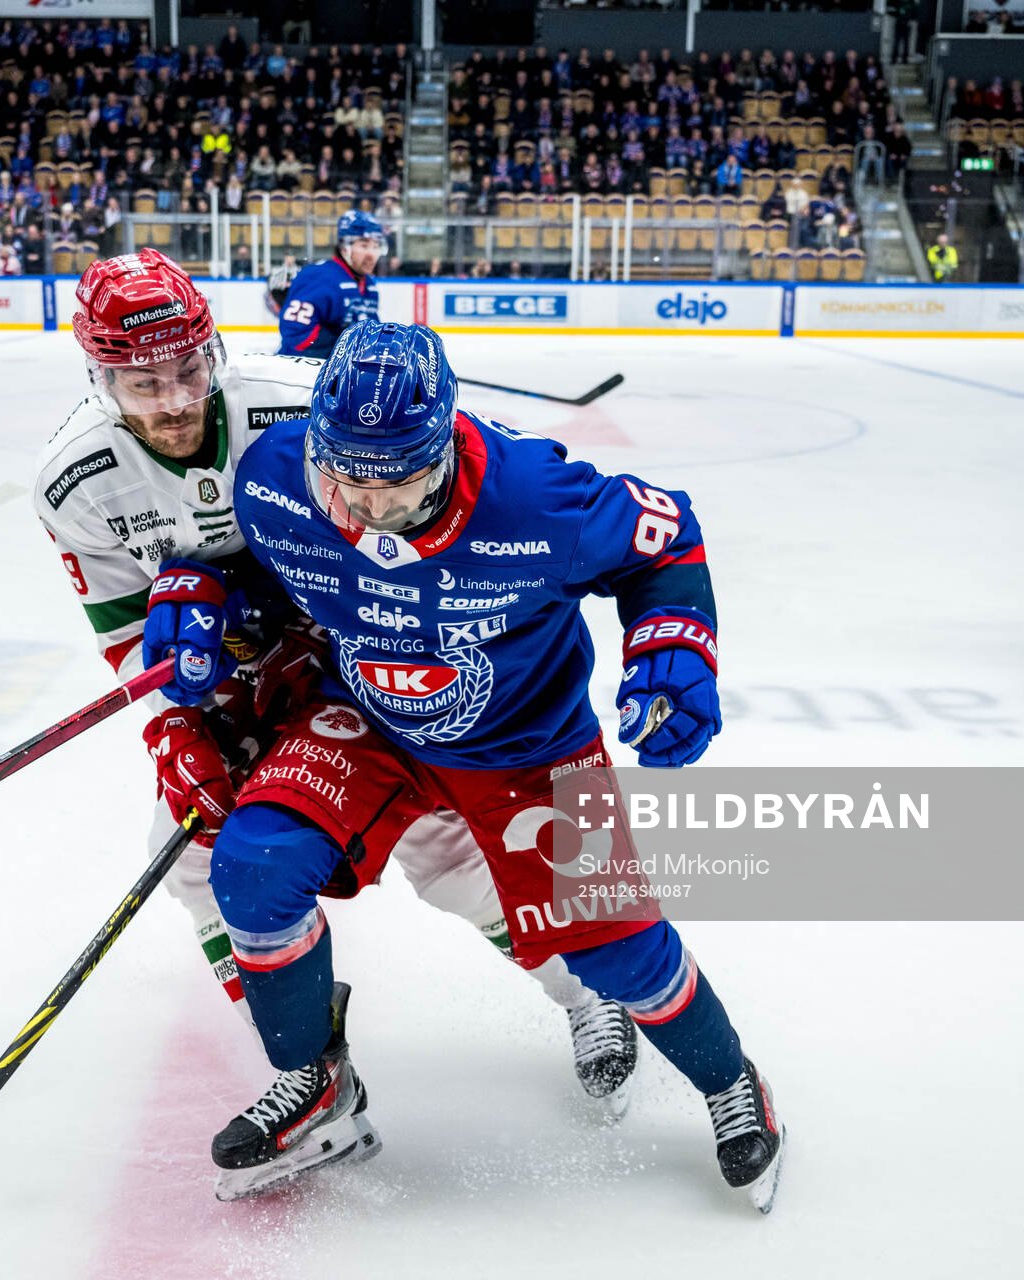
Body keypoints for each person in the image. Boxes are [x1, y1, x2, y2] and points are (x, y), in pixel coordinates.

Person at [194, 319, 783, 1207]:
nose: (366, 510)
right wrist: (203, 593)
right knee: (250, 868)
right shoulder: (275, 476)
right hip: (371, 721)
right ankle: (316, 1085)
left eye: (397, 486)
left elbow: (666, 541)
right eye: (345, 477)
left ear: (446, 450)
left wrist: (674, 644)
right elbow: (274, 577)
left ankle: (733, 1083)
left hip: (528, 751)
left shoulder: (535, 497)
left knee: (620, 956)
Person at [32, 250, 640, 1105]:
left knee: (449, 854)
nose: (171, 401)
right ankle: (312, 1072)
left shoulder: (292, 395)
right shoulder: (74, 482)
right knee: (191, 858)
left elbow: (441, 479)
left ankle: (590, 994)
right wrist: (175, 728)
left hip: (366, 651)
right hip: (235, 678)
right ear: (98, 381)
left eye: (186, 371)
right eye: (141, 385)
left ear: (214, 350)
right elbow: (128, 630)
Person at [276, 209, 385, 358]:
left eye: (376, 246)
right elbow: (296, 335)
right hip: (300, 374)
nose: (372, 254)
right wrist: (338, 355)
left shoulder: (369, 285)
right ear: (344, 247)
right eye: (364, 245)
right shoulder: (319, 276)